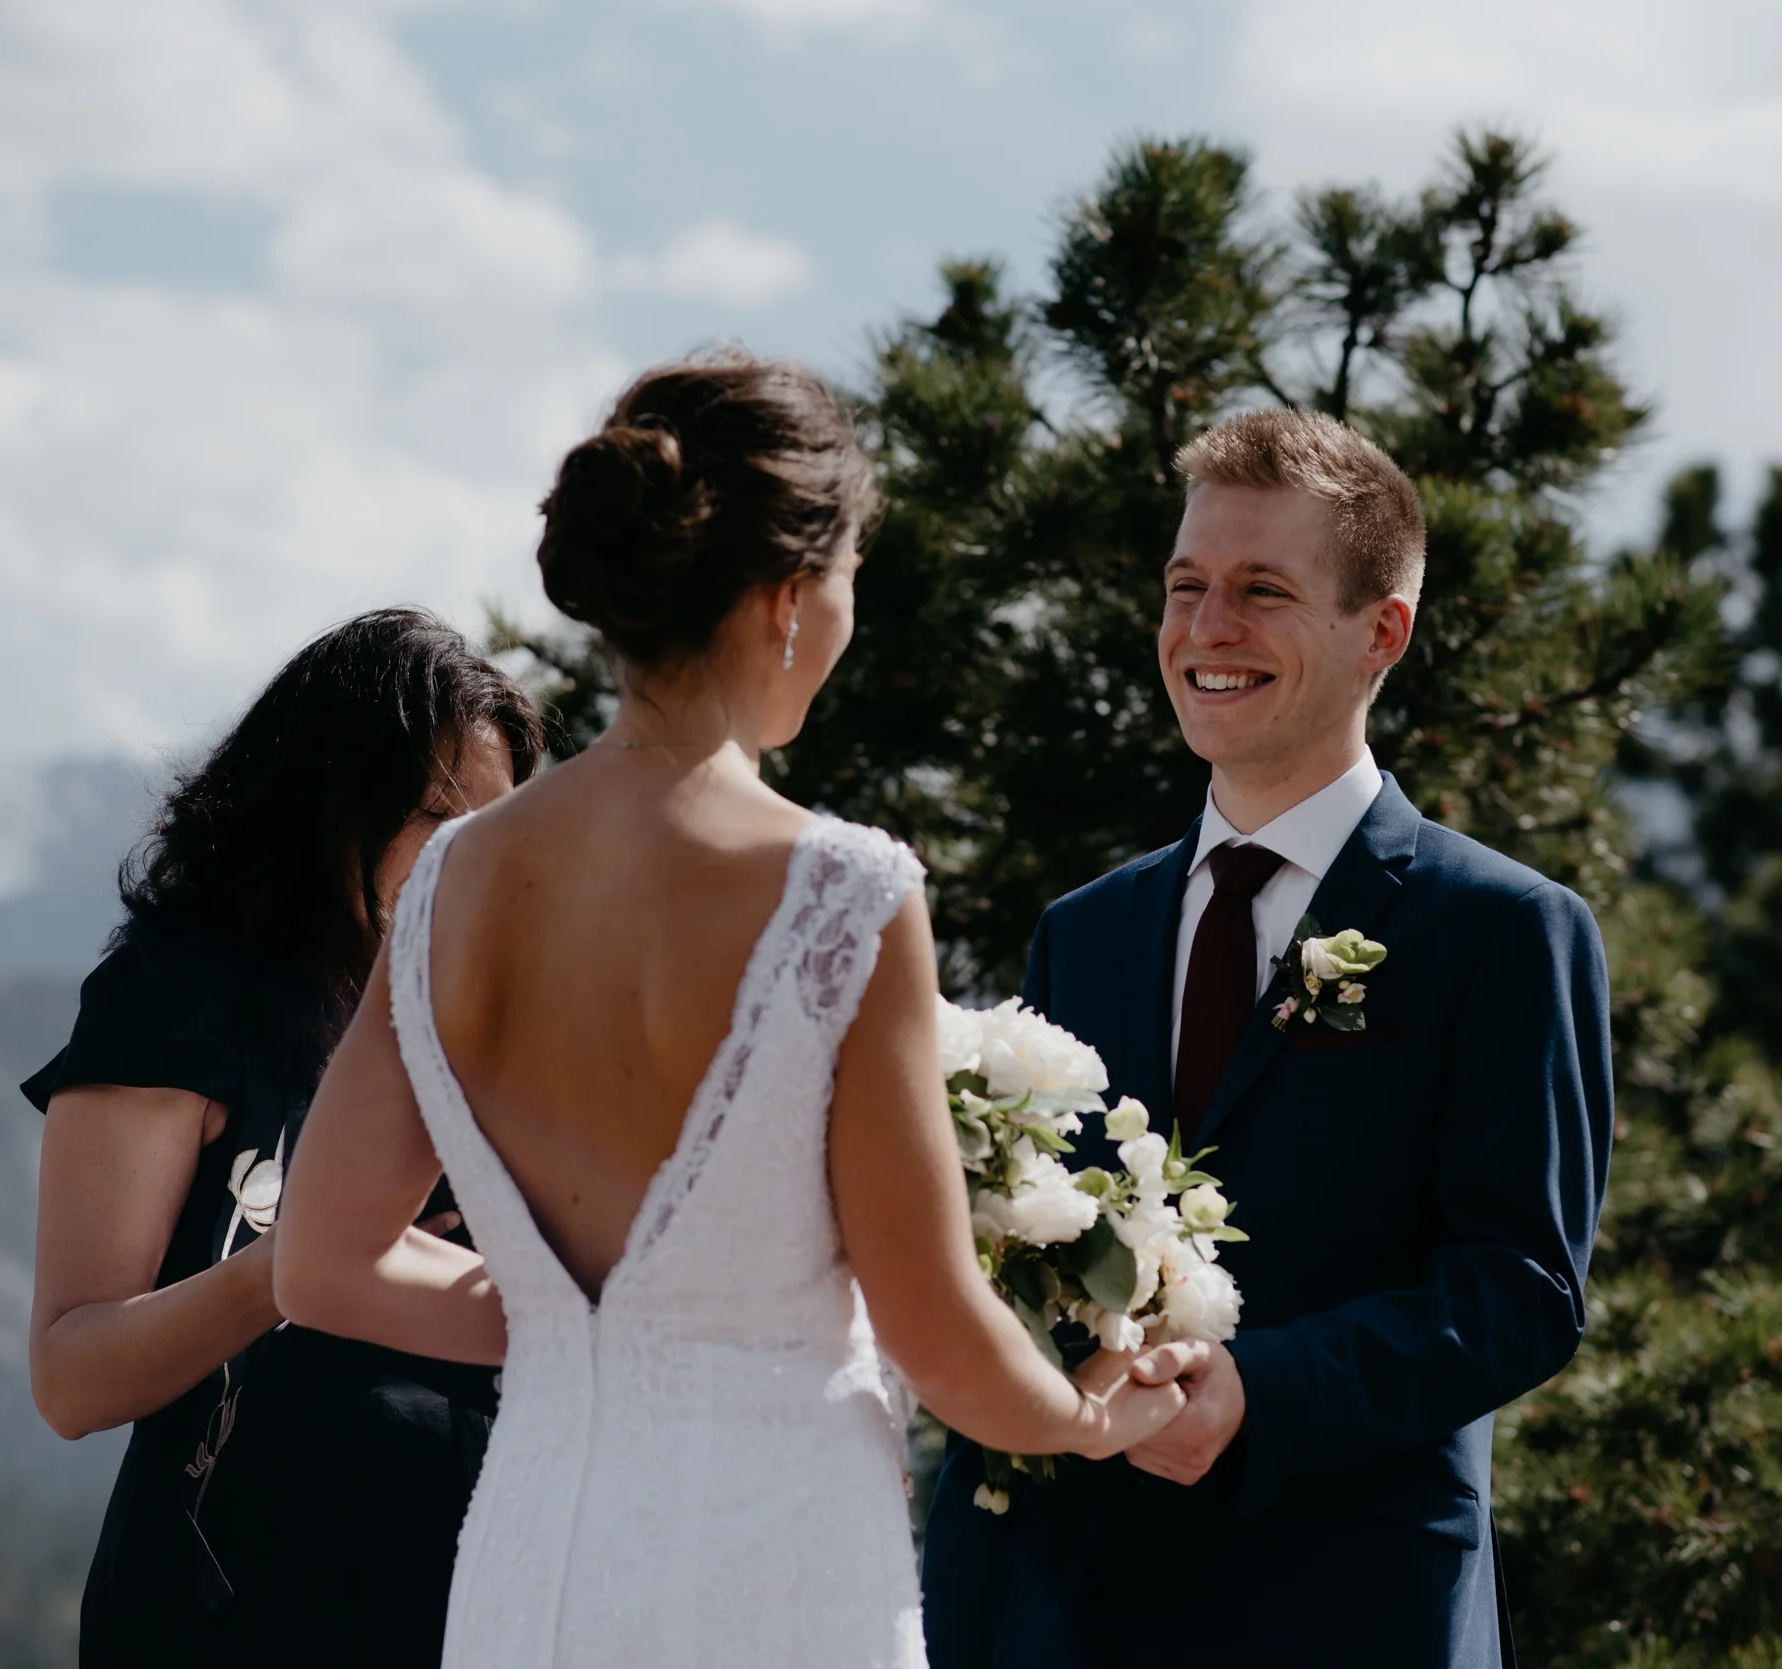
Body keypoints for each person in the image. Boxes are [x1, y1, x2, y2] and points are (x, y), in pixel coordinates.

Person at [272, 351, 1187, 1669]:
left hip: (529, 1567)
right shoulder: (839, 892)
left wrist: (580, 1335)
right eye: (853, 575)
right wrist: (1089, 1416)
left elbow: (319, 1264)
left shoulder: (449, 884)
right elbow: (935, 1333)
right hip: (771, 1566)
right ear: (787, 597)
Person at [918, 409, 1616, 1667]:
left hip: (1348, 1605)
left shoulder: (1503, 929)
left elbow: (1520, 1290)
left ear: (1380, 632)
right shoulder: (1083, 931)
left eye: (1262, 590)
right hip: (1064, 1604)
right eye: (1185, 585)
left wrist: (1262, 1390)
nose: (1206, 627)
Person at [24, 608, 538, 1668]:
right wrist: (294, 1264)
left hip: (481, 1589)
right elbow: (72, 1377)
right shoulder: (177, 994)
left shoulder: (482, 1012)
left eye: (494, 829)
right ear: (331, 799)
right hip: (245, 1603)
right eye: (437, 814)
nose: (467, 859)